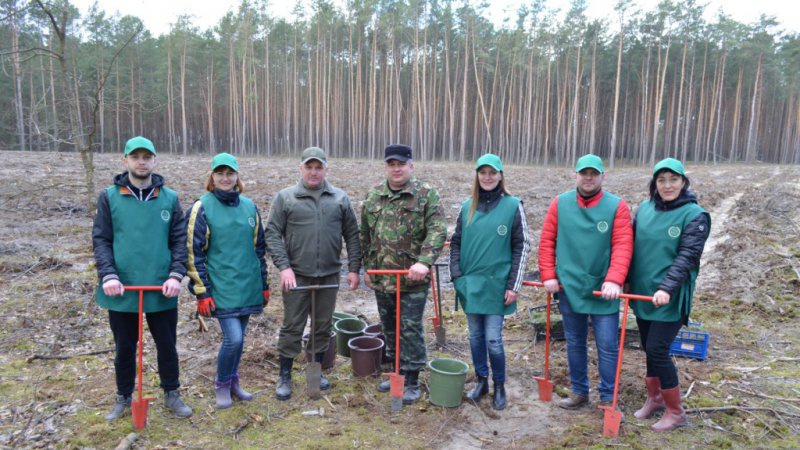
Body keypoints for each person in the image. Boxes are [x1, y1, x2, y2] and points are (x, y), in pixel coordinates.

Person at [92, 136, 192, 421]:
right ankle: (123, 396)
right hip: (122, 288)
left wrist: (176, 275)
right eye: (135, 156)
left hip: (161, 287)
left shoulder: (170, 198)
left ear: (154, 160)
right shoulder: (109, 197)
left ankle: (171, 393)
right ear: (126, 160)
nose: (141, 161)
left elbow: (178, 241)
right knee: (125, 347)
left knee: (167, 345)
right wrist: (108, 274)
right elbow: (101, 239)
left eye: (146, 156)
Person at [538, 154, 633, 409]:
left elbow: (623, 246)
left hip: (604, 290)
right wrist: (548, 275)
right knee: (575, 341)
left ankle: (607, 397)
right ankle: (579, 391)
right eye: (584, 173)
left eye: (594, 173)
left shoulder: (617, 206)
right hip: (570, 287)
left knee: (607, 344)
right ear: (575, 175)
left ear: (603, 176)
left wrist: (614, 280)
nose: (588, 178)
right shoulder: (560, 203)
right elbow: (547, 241)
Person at [265, 147, 361, 401]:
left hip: (328, 276)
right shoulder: (286, 198)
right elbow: (272, 233)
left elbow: (352, 234)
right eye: (309, 167)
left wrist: (353, 269)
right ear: (301, 169)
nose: (314, 172)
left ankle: (315, 370)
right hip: (296, 276)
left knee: (322, 327)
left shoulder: (339, 198)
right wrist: (284, 267)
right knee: (292, 326)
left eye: (319, 167)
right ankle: (285, 374)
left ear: (326, 169)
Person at [627, 158, 710, 432]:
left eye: (673, 179)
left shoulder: (695, 215)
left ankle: (676, 412)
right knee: (648, 348)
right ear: (654, 184)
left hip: (669, 298)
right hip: (642, 294)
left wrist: (666, 288)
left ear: (683, 182)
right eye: (661, 180)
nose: (667, 185)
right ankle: (655, 399)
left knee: (657, 349)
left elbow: (687, 257)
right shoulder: (645, 209)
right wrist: (625, 280)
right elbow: (632, 247)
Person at [360, 144, 447, 404]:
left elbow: (437, 230)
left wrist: (424, 262)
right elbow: (365, 234)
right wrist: (367, 267)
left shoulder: (426, 194)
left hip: (412, 279)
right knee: (389, 327)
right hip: (383, 277)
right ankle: (396, 370)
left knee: (409, 327)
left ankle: (411, 378)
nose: (396, 169)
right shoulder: (374, 195)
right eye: (391, 164)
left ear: (411, 165)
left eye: (401, 164)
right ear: (386, 167)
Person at [185, 153, 270, 409]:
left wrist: (263, 284)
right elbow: (193, 252)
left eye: (230, 173)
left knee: (240, 338)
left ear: (237, 177)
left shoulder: (249, 207)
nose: (225, 178)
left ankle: (234, 382)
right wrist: (202, 291)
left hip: (246, 285)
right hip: (220, 288)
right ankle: (221, 384)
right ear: (212, 176)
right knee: (233, 339)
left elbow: (259, 249)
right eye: (220, 173)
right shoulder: (202, 207)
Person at [449, 154, 531, 410]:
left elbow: (522, 245)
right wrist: (456, 275)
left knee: (493, 339)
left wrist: (513, 285)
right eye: (482, 172)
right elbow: (456, 243)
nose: (487, 177)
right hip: (470, 285)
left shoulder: (512, 206)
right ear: (477, 175)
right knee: (474, 336)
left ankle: (499, 385)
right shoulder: (466, 207)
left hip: (497, 286)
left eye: (492, 173)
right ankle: (481, 380)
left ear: (500, 175)